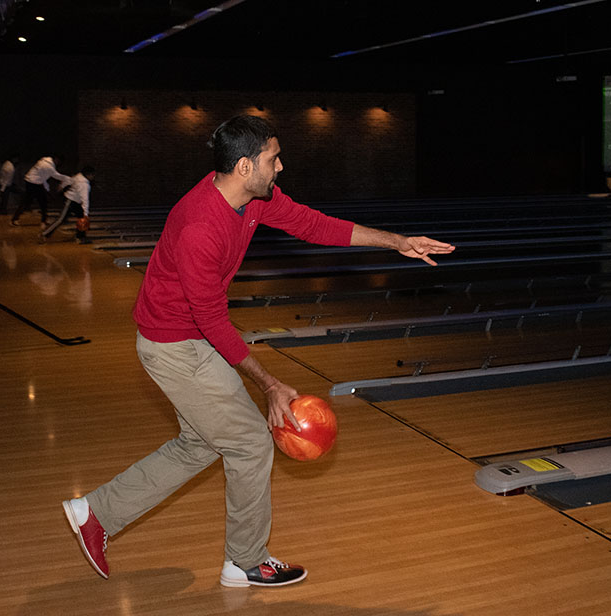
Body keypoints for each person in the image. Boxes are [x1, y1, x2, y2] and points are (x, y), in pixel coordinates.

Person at [61, 115, 454, 587]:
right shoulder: (200, 225)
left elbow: (312, 224)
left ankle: (95, 512)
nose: (280, 167)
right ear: (245, 166)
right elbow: (212, 319)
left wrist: (397, 242)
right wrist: (269, 384)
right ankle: (245, 562)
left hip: (190, 338)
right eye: (274, 158)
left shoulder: (252, 198)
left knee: (200, 443)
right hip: (175, 344)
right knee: (249, 443)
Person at [11, 154, 71, 226]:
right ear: (57, 159)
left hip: (32, 182)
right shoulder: (48, 166)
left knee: (37, 201)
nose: (58, 164)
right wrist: (69, 179)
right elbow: (56, 176)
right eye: (59, 162)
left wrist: (47, 189)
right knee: (35, 201)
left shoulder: (44, 161)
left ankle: (42, 220)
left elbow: (43, 178)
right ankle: (16, 219)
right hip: (33, 183)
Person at [40, 165, 95, 243]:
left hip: (75, 202)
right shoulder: (84, 185)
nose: (93, 177)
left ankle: (80, 237)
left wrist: (62, 186)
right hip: (70, 201)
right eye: (92, 175)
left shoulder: (78, 176)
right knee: (61, 219)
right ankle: (44, 234)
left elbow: (69, 180)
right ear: (88, 174)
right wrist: (86, 214)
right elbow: (85, 200)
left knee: (81, 217)